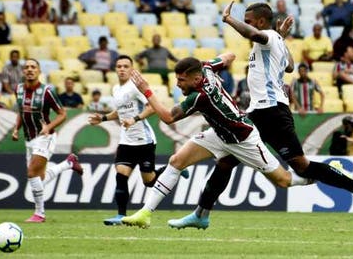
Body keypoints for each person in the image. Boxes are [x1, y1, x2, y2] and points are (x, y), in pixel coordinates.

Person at [167, 2, 353, 230]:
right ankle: (201, 214)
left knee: (300, 166)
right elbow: (290, 67)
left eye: (249, 20)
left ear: (262, 22)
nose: (246, 25)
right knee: (225, 162)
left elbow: (255, 34)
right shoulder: (272, 41)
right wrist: (282, 41)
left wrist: (229, 19)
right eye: (244, 21)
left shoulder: (266, 36)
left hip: (273, 112)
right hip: (259, 112)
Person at [121, 53, 314, 229]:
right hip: (219, 135)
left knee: (284, 180)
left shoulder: (199, 96)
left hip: (243, 139)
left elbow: (167, 117)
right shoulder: (206, 68)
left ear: (196, 79)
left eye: (181, 80)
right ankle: (145, 214)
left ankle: (319, 176)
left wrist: (147, 91)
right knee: (176, 161)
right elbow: (230, 56)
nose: (178, 84)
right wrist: (213, 64)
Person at [88, 55, 188, 225]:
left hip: (144, 140)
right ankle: (121, 216)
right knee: (121, 175)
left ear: (132, 69)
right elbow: (119, 112)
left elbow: (152, 107)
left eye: (125, 66)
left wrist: (135, 119)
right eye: (119, 66)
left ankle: (172, 169)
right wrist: (103, 118)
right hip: (126, 141)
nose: (121, 69)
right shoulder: (116, 89)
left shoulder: (135, 87)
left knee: (149, 182)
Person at [12, 58, 83, 223]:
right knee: (39, 179)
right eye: (27, 67)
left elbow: (62, 114)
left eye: (33, 67)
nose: (30, 69)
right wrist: (16, 129)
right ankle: (69, 163)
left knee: (31, 173)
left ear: (39, 71)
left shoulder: (47, 92)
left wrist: (48, 127)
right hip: (29, 139)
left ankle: (40, 214)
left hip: (45, 137)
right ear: (23, 71)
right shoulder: (18, 89)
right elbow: (22, 112)